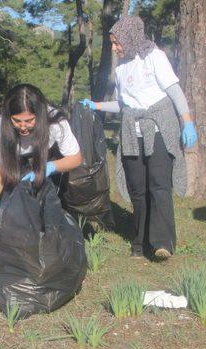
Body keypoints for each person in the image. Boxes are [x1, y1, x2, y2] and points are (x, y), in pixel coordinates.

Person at [80, 15, 198, 260]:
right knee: (137, 188)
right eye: (112, 42)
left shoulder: (154, 57)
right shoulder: (122, 67)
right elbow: (124, 105)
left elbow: (175, 92)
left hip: (157, 129)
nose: (114, 47)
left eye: (117, 42)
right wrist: (97, 106)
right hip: (132, 133)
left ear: (130, 38)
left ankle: (162, 243)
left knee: (158, 185)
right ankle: (140, 243)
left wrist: (187, 123)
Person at [0, 83, 83, 286]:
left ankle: (49, 261)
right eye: (17, 121)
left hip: (48, 163)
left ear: (39, 115)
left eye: (29, 121)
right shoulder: (0, 127)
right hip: (14, 165)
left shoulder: (55, 121)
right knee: (4, 210)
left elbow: (75, 158)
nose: (23, 126)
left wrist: (49, 167)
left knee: (45, 214)